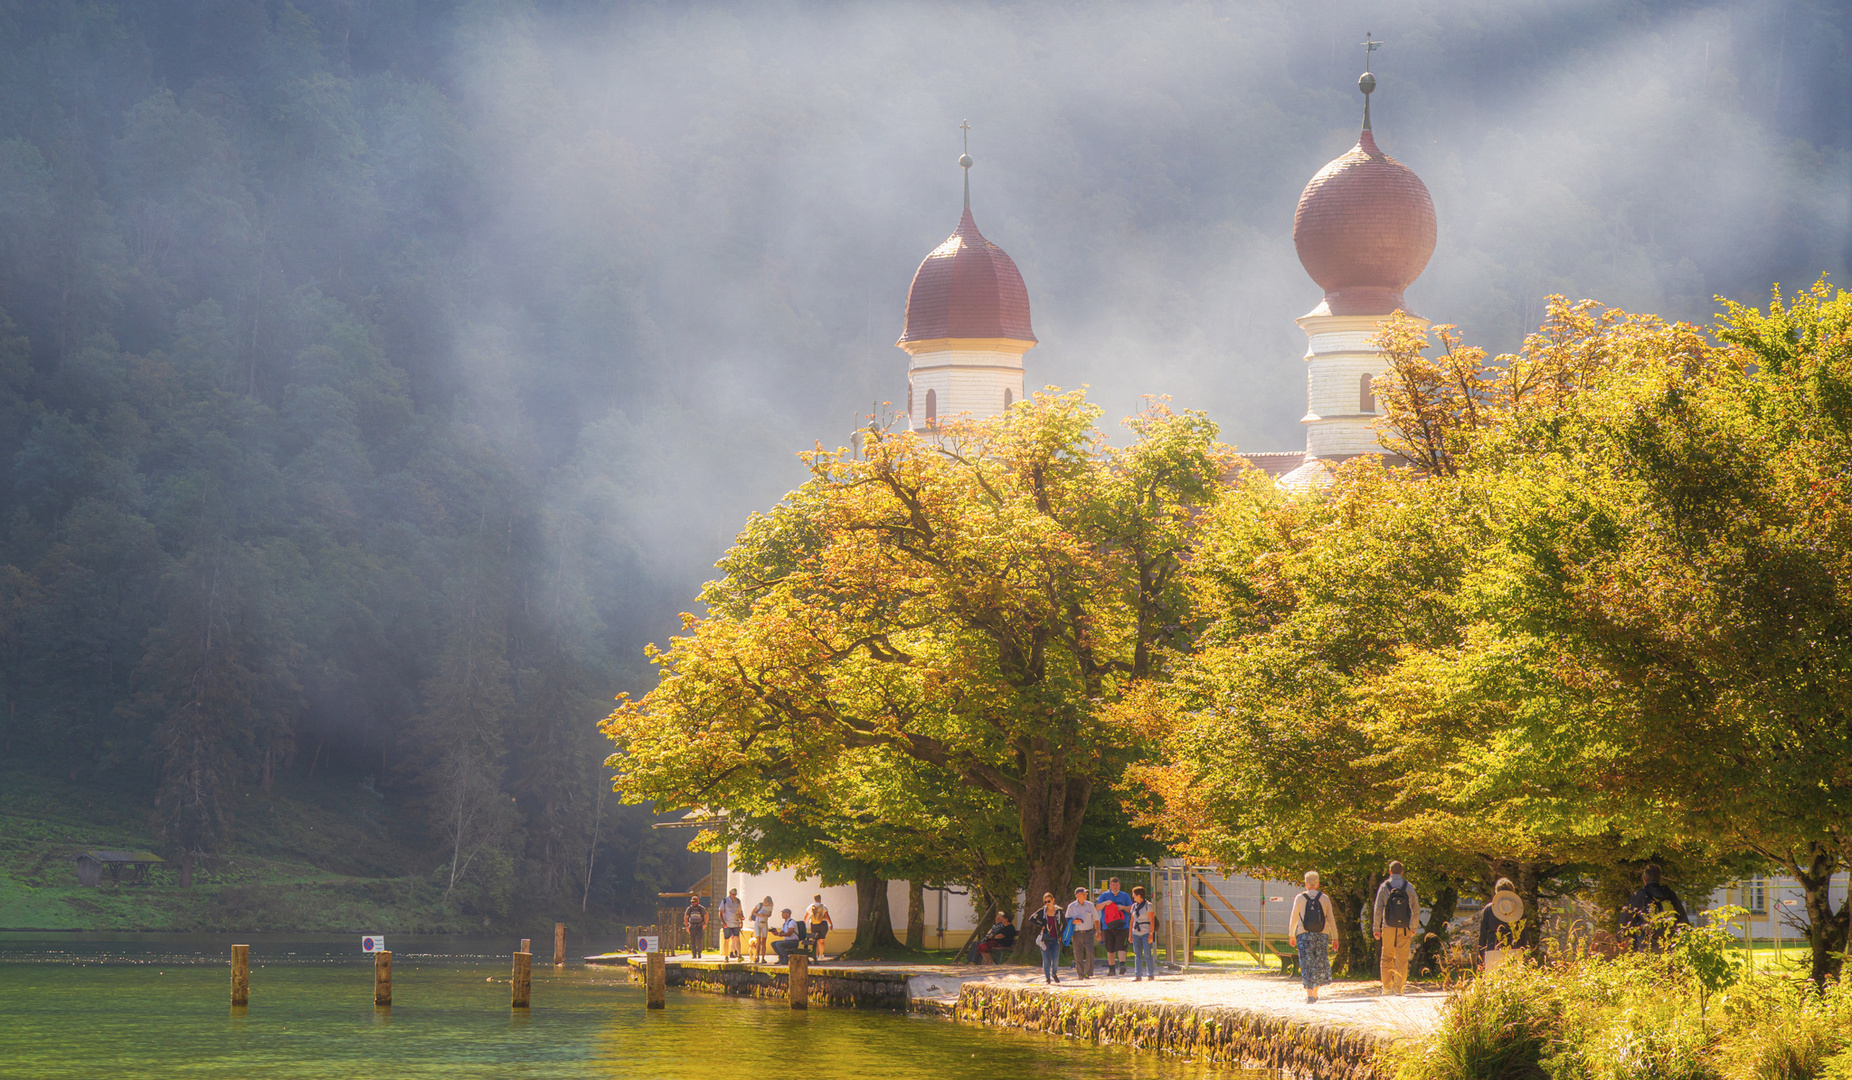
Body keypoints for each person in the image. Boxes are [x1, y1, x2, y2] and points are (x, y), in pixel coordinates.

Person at [1372, 860, 1422, 996]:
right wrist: (1414, 926)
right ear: (1402, 872)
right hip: (1404, 927)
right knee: (1402, 957)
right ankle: (1399, 988)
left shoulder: (1384, 886)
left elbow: (1378, 909)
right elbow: (1416, 908)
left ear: (1389, 872)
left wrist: (1376, 928)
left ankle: (1387, 987)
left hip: (1388, 926)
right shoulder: (1409, 887)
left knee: (1387, 956)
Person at [1290, 871, 1338, 1003]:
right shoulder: (1325, 898)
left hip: (1303, 934)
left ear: (1305, 884)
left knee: (1306, 962)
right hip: (1321, 935)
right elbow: (1331, 919)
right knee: (1319, 961)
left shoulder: (1300, 898)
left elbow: (1294, 917)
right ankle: (1316, 993)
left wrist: (1291, 934)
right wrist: (1335, 937)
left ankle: (1309, 994)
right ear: (1318, 884)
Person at [1621, 864, 1690, 951]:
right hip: (1668, 947)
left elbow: (1626, 916)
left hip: (1646, 947)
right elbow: (1682, 919)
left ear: (1644, 879)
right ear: (1660, 879)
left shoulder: (1640, 895)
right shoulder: (1670, 895)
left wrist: (1620, 938)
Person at [1479, 878, 1525, 972]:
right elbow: (1524, 933)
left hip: (1493, 950)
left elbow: (1483, 933)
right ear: (1512, 892)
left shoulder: (1489, 909)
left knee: (1493, 982)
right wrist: (1525, 953)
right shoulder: (1519, 909)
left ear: (1497, 892)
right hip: (1515, 949)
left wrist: (1479, 956)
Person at [1097, 877, 1134, 976]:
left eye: (1116, 885)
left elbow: (1131, 908)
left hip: (1122, 925)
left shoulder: (1125, 896)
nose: (1115, 887)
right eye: (1113, 885)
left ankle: (1122, 965)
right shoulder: (1104, 896)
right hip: (1107, 926)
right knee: (1110, 948)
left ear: (1119, 885)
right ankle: (1112, 968)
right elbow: (1097, 907)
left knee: (1122, 947)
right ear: (1110, 885)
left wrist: (1122, 907)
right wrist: (1105, 903)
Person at [1032, 893, 1065, 984]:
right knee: (1046, 959)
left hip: (1055, 938)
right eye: (1045, 902)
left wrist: (1061, 934)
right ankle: (1047, 978)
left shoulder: (1058, 911)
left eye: (1049, 901)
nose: (1047, 903)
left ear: (1053, 900)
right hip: (1045, 938)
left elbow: (1064, 923)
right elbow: (1032, 918)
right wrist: (1041, 925)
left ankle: (1054, 973)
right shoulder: (1042, 911)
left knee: (1055, 959)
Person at [1129, 885, 1159, 981]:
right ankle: (1138, 975)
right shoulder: (1134, 906)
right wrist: (1130, 934)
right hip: (1136, 932)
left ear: (1139, 895)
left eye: (1134, 894)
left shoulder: (1148, 905)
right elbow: (1132, 921)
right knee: (1137, 954)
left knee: (1147, 954)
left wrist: (1151, 934)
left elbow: (1152, 920)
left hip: (1146, 932)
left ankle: (1150, 974)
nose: (1133, 896)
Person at [1066, 887, 1098, 978]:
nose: (1085, 895)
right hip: (1076, 933)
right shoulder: (1071, 906)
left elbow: (1096, 919)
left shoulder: (1090, 905)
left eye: (1085, 894)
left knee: (1090, 952)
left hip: (1089, 932)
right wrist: (1073, 921)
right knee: (1078, 953)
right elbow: (1067, 919)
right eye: (1083, 894)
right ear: (1077, 895)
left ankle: (1087, 972)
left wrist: (1098, 931)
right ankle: (1080, 974)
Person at [803, 894, 833, 961]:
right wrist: (830, 924)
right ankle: (821, 955)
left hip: (814, 924)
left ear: (814, 899)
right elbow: (827, 916)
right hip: (823, 924)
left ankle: (815, 955)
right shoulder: (823, 907)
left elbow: (806, 916)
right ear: (820, 899)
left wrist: (804, 924)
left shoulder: (811, 907)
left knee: (815, 940)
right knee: (821, 941)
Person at [719, 887, 745, 961]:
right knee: (726, 940)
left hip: (735, 923)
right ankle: (726, 956)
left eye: (735, 894)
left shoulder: (738, 901)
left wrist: (741, 921)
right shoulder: (725, 901)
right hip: (727, 923)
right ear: (730, 893)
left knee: (737, 938)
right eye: (733, 894)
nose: (734, 896)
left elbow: (739, 912)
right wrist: (723, 922)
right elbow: (720, 912)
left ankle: (739, 955)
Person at [749, 895, 774, 964]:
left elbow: (770, 914)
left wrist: (767, 915)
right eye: (766, 903)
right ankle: (757, 957)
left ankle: (763, 957)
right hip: (758, 923)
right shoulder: (760, 905)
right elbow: (753, 912)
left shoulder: (770, 907)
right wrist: (759, 915)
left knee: (764, 942)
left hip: (764, 923)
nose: (767, 904)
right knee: (758, 941)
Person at [684, 895, 709, 959]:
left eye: (694, 902)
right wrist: (686, 926)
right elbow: (686, 917)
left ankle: (699, 953)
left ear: (697, 902)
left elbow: (706, 915)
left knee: (699, 940)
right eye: (692, 902)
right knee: (692, 941)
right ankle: (694, 954)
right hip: (692, 926)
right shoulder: (689, 909)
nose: (693, 903)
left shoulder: (701, 908)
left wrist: (705, 924)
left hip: (699, 926)